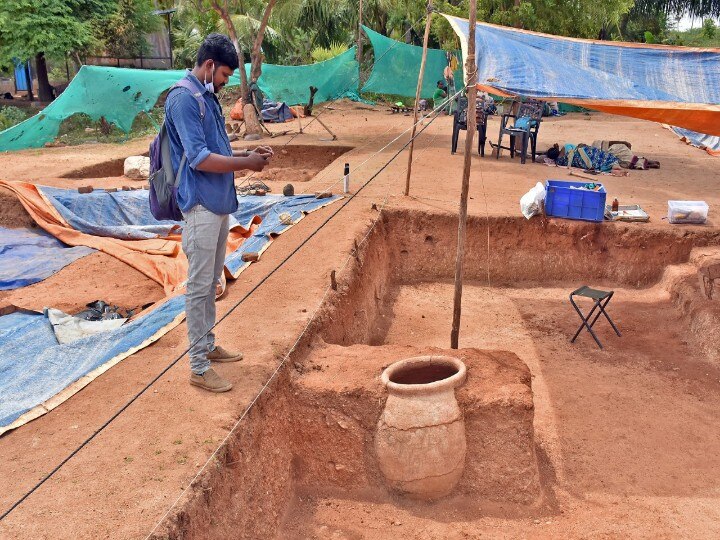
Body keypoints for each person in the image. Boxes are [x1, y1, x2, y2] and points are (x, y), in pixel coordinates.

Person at [165, 33, 273, 393]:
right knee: (198, 286)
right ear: (209, 65)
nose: (226, 82)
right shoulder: (183, 99)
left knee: (210, 281)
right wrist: (248, 164)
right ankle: (197, 366)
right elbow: (198, 157)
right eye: (224, 75)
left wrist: (246, 152)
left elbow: (219, 147)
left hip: (218, 201)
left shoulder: (205, 97)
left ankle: (208, 347)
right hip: (200, 204)